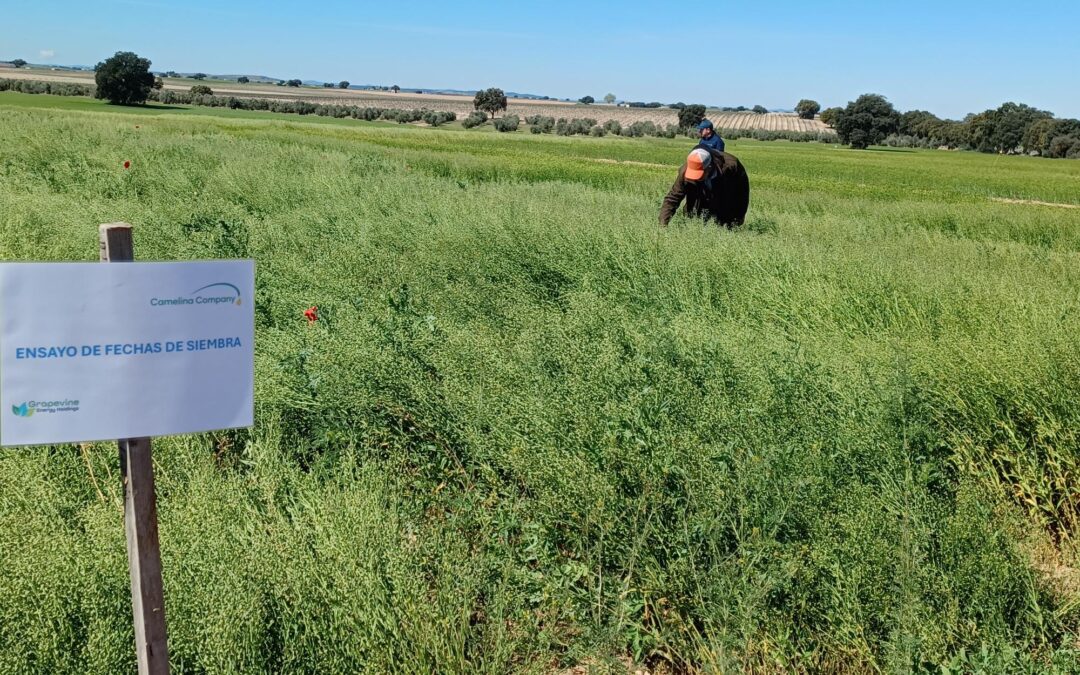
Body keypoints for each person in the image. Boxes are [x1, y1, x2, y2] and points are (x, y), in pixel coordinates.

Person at [659, 146, 749, 227]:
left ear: (709, 167)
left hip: (724, 208)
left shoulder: (732, 166)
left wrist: (738, 219)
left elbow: (742, 194)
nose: (696, 179)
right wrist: (663, 225)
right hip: (697, 213)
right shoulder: (685, 172)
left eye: (699, 175)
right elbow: (673, 198)